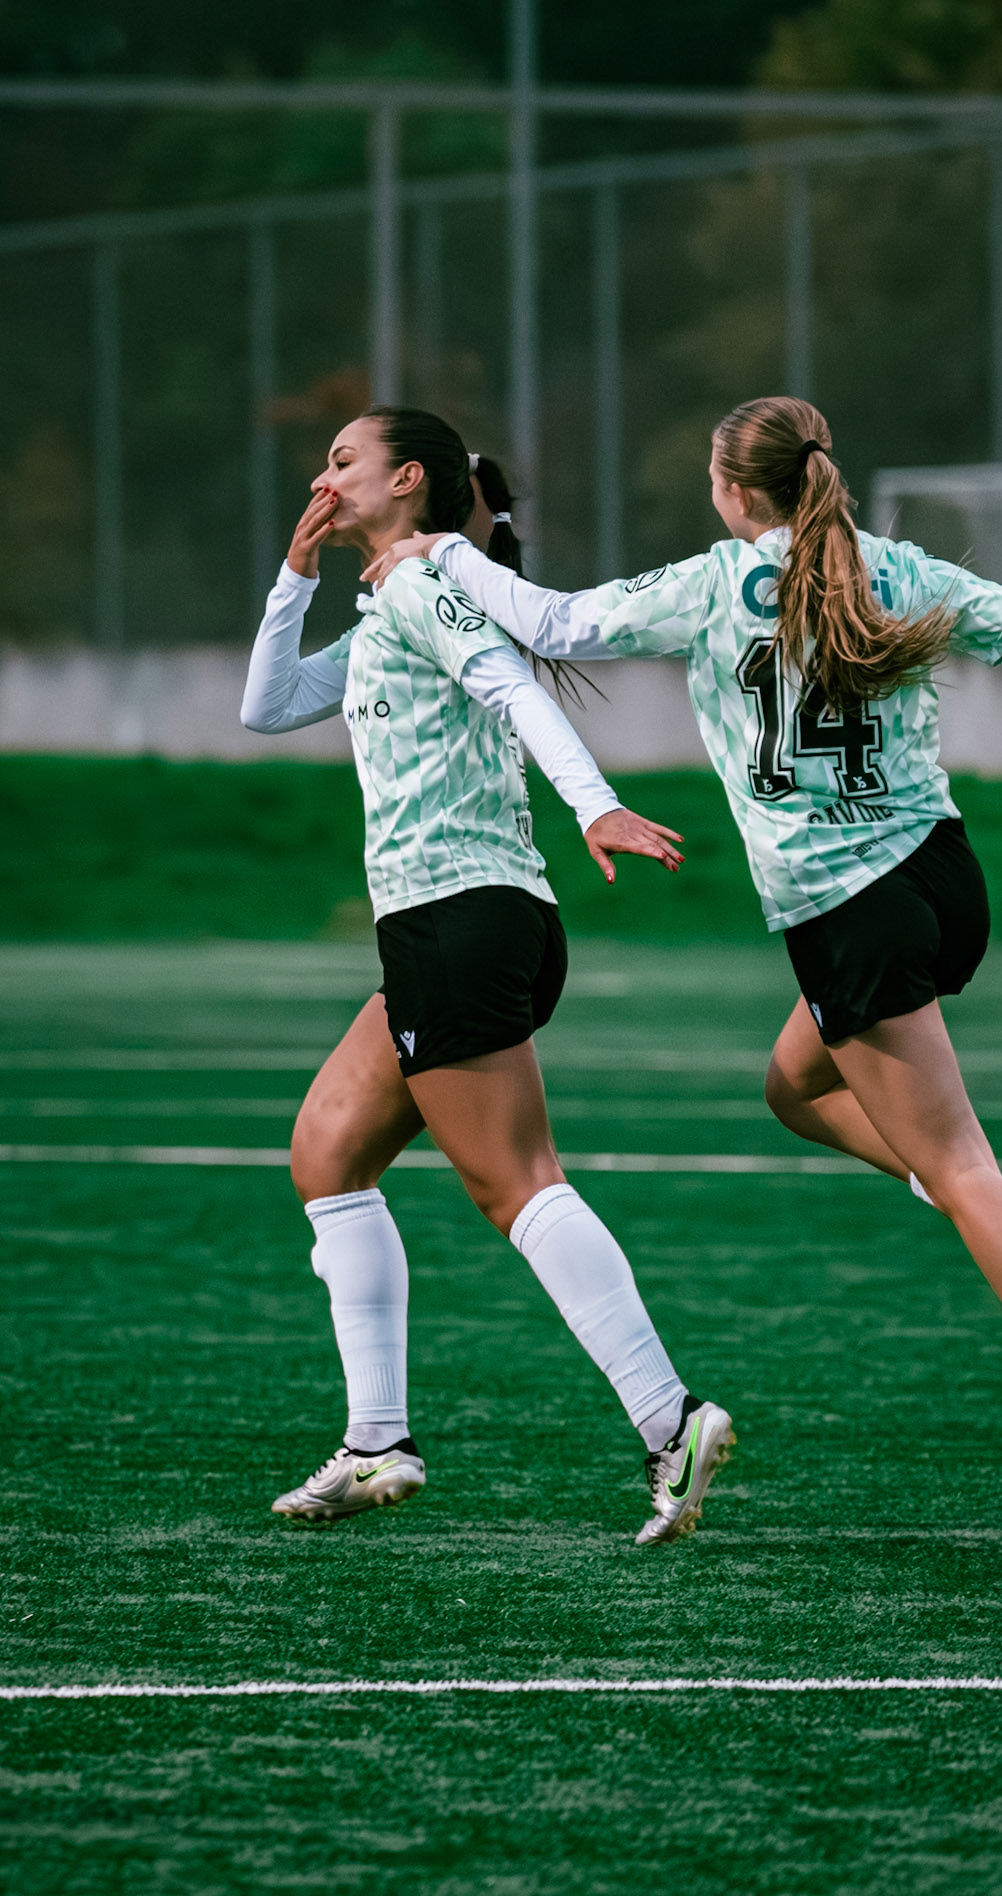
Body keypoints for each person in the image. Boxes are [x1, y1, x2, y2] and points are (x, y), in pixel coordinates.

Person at [367, 395, 1002, 1539]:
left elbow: (560, 618)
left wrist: (443, 550)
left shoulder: (709, 583)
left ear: (737, 491)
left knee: (960, 1158)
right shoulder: (891, 564)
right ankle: (975, 1200)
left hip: (849, 912)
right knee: (794, 1086)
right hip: (943, 876)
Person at [241, 406, 734, 1545]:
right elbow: (264, 706)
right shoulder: (381, 608)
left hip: (463, 918)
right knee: (327, 1149)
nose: (324, 474)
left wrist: (596, 803)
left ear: (408, 480)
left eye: (344, 460)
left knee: (515, 1184)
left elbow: (515, 689)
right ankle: (376, 1444)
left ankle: (673, 1421)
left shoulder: (421, 586)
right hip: (453, 925)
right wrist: (294, 570)